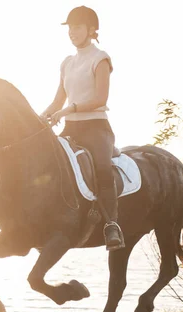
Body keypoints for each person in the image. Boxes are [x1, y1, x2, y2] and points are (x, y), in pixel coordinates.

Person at [40, 6, 124, 251]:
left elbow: (100, 98)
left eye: (77, 27)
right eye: (70, 28)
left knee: (101, 168)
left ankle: (111, 225)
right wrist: (37, 119)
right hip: (71, 130)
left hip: (96, 129)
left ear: (91, 30)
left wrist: (69, 109)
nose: (72, 32)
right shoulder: (67, 63)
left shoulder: (101, 59)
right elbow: (57, 101)